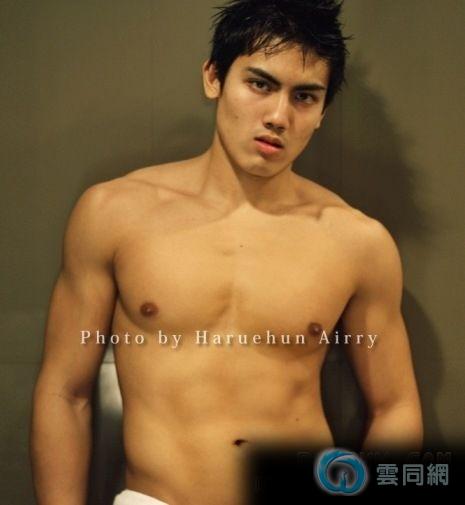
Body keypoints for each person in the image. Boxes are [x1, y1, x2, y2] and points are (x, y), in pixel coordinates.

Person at [30, 1, 423, 504]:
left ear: (322, 113)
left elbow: (395, 406)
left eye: (304, 97)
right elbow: (66, 392)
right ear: (213, 77)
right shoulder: (114, 213)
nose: (278, 117)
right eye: (260, 84)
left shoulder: (358, 243)